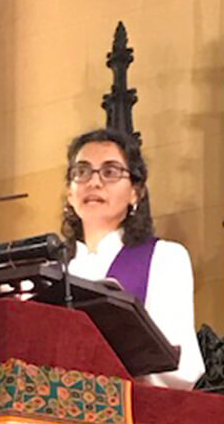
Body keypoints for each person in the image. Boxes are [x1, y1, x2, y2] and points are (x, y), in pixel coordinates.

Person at [62, 128, 205, 389]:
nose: (93, 183)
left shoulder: (164, 258)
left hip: (132, 414)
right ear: (70, 194)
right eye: (81, 171)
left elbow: (181, 365)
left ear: (135, 193)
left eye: (110, 171)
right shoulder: (53, 270)